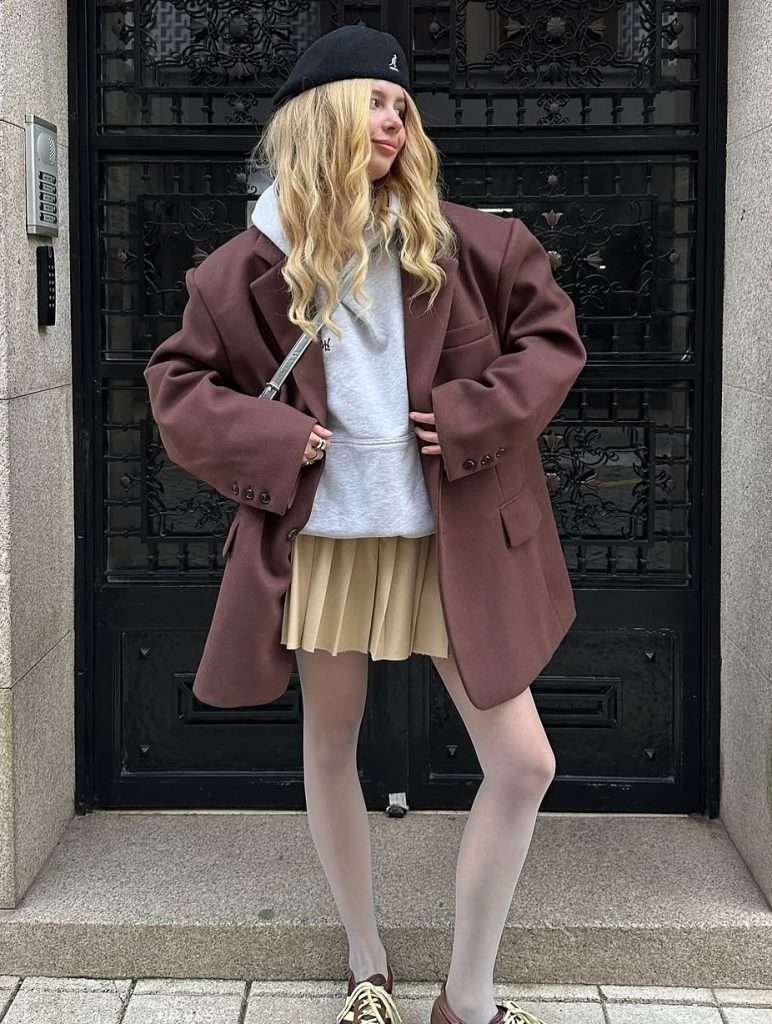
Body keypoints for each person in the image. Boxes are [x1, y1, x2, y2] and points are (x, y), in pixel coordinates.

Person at [144, 22, 586, 1024]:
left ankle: (466, 998)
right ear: (321, 119)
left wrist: (473, 414)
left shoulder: (470, 244)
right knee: (331, 745)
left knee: (524, 763)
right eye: (373, 103)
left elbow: (552, 342)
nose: (393, 121)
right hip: (326, 543)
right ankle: (366, 963)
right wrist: (272, 438)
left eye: (401, 107)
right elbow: (177, 390)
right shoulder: (242, 270)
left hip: (450, 541)